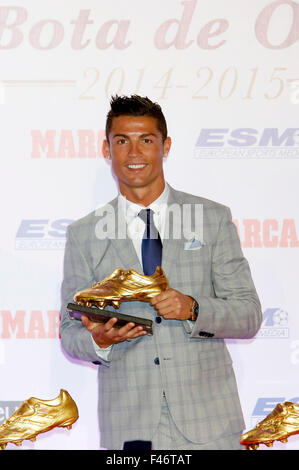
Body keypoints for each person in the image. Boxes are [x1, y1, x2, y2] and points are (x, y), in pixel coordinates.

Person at [60, 95, 262, 450]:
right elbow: (70, 331)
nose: (133, 153)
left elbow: (249, 314)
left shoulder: (211, 219)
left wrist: (194, 309)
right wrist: (100, 340)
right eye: (122, 141)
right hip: (130, 428)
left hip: (210, 423)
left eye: (146, 140)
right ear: (107, 149)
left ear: (165, 146)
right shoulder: (83, 234)